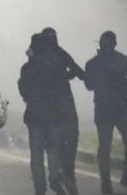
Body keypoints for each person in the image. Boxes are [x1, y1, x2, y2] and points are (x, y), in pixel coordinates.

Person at [84, 31, 127, 194]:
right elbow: (89, 85)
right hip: (105, 109)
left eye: (108, 45)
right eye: (104, 45)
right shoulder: (94, 63)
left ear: (113, 45)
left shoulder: (121, 60)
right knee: (106, 145)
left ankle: (125, 176)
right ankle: (107, 182)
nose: (106, 48)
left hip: (121, 108)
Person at [19, 33, 71, 195]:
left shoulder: (27, 68)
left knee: (36, 155)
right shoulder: (56, 66)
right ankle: (55, 180)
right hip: (55, 115)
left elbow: (24, 90)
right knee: (54, 150)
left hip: (35, 116)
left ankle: (40, 189)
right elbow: (62, 89)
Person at [41, 27, 84, 195]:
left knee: (67, 139)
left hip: (61, 104)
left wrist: (76, 75)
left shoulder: (56, 54)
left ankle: (64, 174)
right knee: (60, 140)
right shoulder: (46, 56)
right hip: (56, 105)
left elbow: (76, 69)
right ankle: (62, 174)